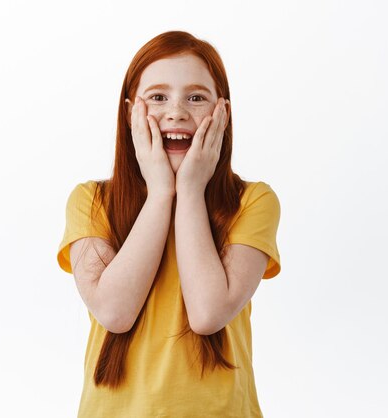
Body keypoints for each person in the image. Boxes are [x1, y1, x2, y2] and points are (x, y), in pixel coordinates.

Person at [56, 30, 282, 418]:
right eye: (158, 97)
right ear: (131, 113)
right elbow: (113, 311)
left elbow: (208, 314)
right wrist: (162, 193)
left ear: (222, 113)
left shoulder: (253, 201)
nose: (176, 112)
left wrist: (190, 193)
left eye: (196, 97)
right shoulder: (92, 201)